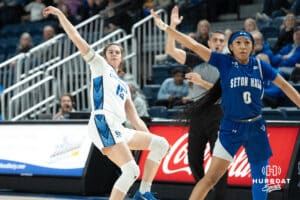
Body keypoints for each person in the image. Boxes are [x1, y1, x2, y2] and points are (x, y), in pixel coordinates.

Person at [151, 7, 300, 200]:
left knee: (260, 180)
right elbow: (194, 46)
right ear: (231, 47)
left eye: (247, 42)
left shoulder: (261, 65)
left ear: (253, 47)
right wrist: (166, 27)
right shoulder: (224, 62)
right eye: (238, 42)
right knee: (210, 178)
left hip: (255, 126)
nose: (243, 46)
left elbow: (286, 86)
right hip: (230, 126)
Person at [43, 6, 169, 200]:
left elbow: (134, 118)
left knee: (160, 144)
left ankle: (144, 191)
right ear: (104, 55)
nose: (114, 54)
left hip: (117, 126)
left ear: (122, 57)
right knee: (131, 171)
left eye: (117, 52)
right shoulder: (99, 65)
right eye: (110, 51)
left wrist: (146, 139)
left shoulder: (125, 86)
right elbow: (76, 37)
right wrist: (60, 15)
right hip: (103, 122)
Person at [165, 6, 227, 199]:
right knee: (193, 160)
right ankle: (205, 194)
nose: (217, 43)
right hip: (197, 114)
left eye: (221, 41)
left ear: (224, 45)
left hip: (218, 114)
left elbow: (223, 93)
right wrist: (172, 26)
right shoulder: (195, 58)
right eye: (214, 40)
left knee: (219, 163)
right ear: (208, 42)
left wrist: (200, 82)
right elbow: (170, 50)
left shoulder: (228, 63)